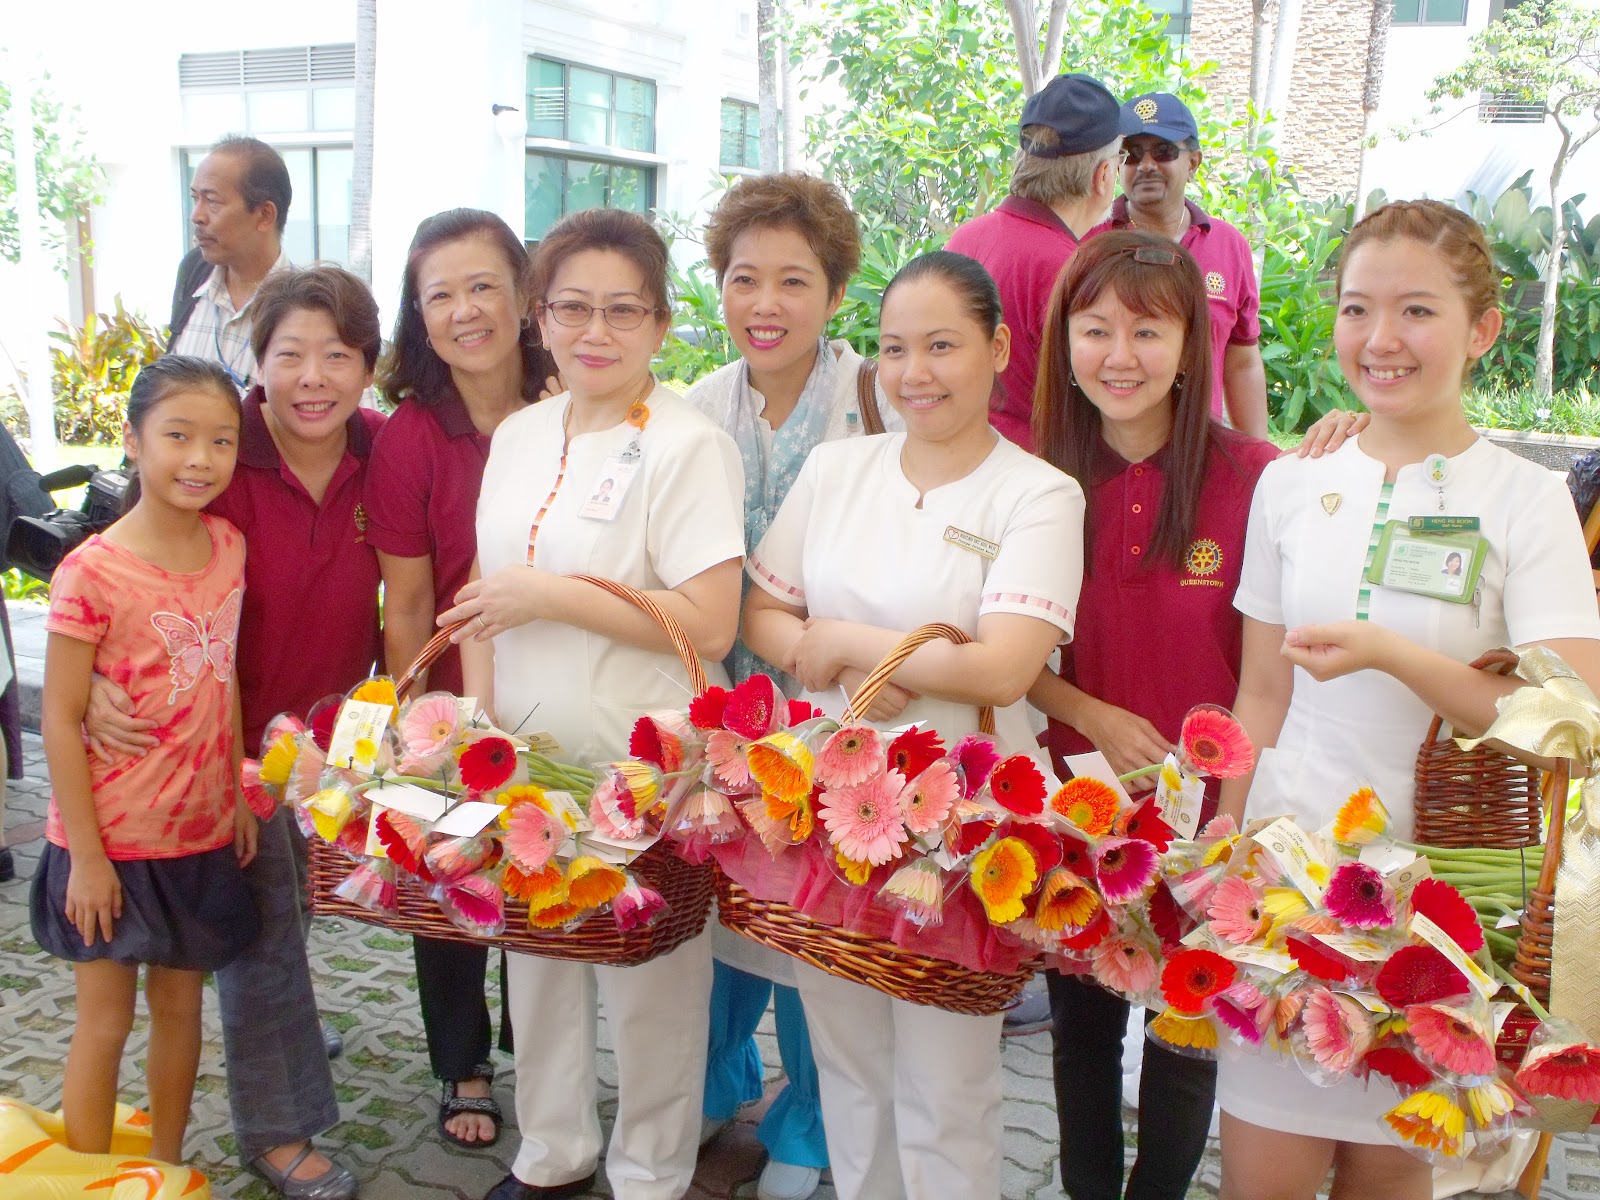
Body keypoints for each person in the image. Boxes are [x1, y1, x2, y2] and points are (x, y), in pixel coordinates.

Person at [1220, 199, 1600, 1200]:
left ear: (1481, 331)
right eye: (1356, 309)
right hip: (1288, 886)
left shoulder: (1525, 499)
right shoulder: (1291, 486)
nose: (1380, 341)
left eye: (1417, 312)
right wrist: (1217, 851)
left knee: (1388, 1180)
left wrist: (1392, 654)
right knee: (1259, 1176)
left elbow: (1568, 718)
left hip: (1443, 903)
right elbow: (1260, 690)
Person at [741, 250, 1086, 1199]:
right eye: (895, 349)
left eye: (942, 345)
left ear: (999, 348)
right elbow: (763, 617)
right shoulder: (837, 467)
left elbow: (1005, 666)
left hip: (962, 829)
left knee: (947, 1084)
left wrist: (852, 641)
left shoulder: (1039, 494)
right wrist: (845, 663)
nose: (914, 373)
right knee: (848, 1065)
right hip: (826, 813)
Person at [440, 207, 744, 1200]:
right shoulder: (521, 433)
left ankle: (652, 1171)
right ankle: (553, 1152)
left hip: (640, 763)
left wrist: (555, 598)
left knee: (651, 982)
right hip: (527, 758)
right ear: (540, 317)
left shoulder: (690, 446)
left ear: (661, 326)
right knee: (538, 964)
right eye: (572, 307)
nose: (594, 332)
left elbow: (707, 620)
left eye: (623, 310)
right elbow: (489, 597)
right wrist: (479, 728)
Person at [88, 265, 385, 1200]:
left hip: (328, 736)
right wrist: (92, 677)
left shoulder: (383, 451)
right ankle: (277, 1127)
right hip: (214, 739)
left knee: (283, 915)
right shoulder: (220, 445)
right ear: (258, 364)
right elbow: (115, 554)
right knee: (260, 938)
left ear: (368, 369)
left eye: (337, 356)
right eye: (289, 353)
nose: (312, 377)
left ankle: (277, 1031)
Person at [1028, 230, 1278, 1200]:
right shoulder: (1038, 481)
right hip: (1073, 808)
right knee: (1079, 1038)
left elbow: (1268, 675)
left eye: (1146, 330)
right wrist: (1084, 709)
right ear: (1064, 343)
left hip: (1210, 823)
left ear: (1191, 347)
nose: (1118, 356)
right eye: (1094, 330)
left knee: (1185, 1043)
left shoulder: (1255, 479)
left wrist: (1228, 823)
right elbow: (1005, 656)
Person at [685, 171, 902, 1200]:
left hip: (834, 705)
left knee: (816, 919)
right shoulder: (690, 408)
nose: (764, 304)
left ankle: (810, 1118)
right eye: (743, 279)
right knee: (721, 905)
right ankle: (715, 1078)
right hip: (718, 700)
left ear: (834, 293)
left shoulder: (875, 403)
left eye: (793, 281)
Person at [29, 355, 258, 1165]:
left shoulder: (229, 545)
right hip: (110, 846)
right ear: (132, 440)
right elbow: (58, 718)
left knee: (181, 1012)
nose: (201, 458)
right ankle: (91, 1178)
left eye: (222, 441)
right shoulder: (91, 572)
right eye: (179, 436)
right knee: (105, 1021)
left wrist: (233, 789)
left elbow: (222, 676)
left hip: (197, 833)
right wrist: (85, 860)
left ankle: (163, 1167)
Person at [369, 208, 558, 1150]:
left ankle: (546, 1051)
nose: (464, 310)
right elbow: (406, 600)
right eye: (438, 294)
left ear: (526, 298)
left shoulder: (574, 396)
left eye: (482, 285)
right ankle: (463, 1065)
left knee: (544, 873)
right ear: (419, 315)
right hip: (454, 702)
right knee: (448, 888)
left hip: (564, 683)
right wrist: (415, 719)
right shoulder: (411, 435)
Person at [946, 72, 1122, 451]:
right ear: (1103, 176)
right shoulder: (1071, 267)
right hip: (1042, 472)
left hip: (963, 459)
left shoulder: (965, 238)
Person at [1089, 92, 1269, 439]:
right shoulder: (1090, 243)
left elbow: (1242, 361)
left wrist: (1259, 458)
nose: (1145, 165)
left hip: (1201, 452)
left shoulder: (1229, 245)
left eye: (1164, 151)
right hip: (1107, 454)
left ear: (1194, 161)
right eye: (1132, 154)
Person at [168, 136, 293, 392]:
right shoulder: (193, 273)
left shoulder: (308, 308)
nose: (197, 216)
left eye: (212, 201)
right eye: (195, 199)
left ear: (264, 215)